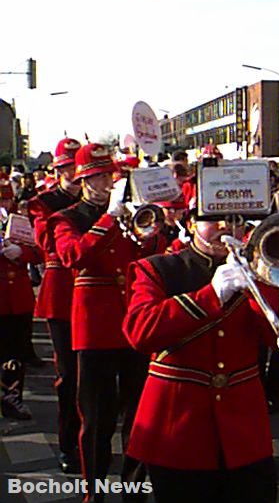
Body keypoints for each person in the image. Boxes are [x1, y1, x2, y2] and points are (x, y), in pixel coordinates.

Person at [122, 203, 279, 503]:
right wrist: (213, 294)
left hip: (244, 428)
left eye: (235, 220)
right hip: (178, 427)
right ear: (192, 223)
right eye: (214, 219)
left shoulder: (260, 272)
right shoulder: (160, 269)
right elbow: (140, 333)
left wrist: (262, 283)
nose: (225, 228)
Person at [49, 144, 164, 502]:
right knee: (96, 419)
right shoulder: (67, 218)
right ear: (83, 180)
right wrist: (110, 218)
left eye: (108, 176)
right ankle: (94, 491)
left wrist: (155, 232)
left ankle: (134, 489)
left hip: (132, 321)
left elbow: (149, 259)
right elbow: (73, 256)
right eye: (98, 177)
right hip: (94, 328)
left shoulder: (127, 215)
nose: (106, 183)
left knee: (138, 415)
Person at [26, 137, 82, 472]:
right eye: (69, 168)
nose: (76, 175)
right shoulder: (44, 203)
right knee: (70, 376)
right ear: (58, 170)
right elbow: (48, 243)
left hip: (105, 296)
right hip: (63, 294)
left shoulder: (105, 202)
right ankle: (69, 446)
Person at [0, 178, 41, 421]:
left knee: (14, 354)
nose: (4, 203)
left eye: (6, 199)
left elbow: (39, 251)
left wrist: (21, 252)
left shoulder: (22, 221)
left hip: (18, 297)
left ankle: (12, 398)